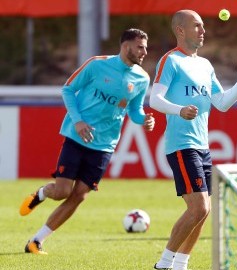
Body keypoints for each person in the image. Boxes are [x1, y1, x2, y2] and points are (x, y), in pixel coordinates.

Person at [19, 28, 155, 254]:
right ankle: (41, 194)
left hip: (104, 145)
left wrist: (144, 120)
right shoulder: (96, 64)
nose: (144, 52)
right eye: (140, 47)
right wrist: (78, 121)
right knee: (63, 191)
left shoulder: (142, 78)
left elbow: (134, 109)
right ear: (126, 46)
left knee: (79, 196)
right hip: (77, 136)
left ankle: (36, 241)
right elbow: (68, 89)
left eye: (146, 47)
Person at [149, 9, 237, 270]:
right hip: (181, 144)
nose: (203, 30)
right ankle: (163, 264)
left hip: (202, 146)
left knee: (205, 209)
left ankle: (180, 265)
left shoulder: (205, 65)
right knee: (199, 206)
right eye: (197, 26)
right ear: (180, 30)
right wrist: (179, 109)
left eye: (202, 26)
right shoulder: (171, 61)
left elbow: (221, 103)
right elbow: (154, 99)